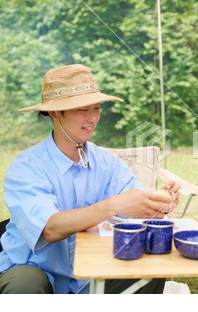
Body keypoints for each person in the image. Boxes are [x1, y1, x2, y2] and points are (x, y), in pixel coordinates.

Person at [0, 64, 180, 294]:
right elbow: (49, 229)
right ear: (54, 113)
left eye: (96, 108)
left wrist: (160, 202)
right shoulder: (26, 167)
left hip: (92, 275)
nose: (93, 117)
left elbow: (136, 206)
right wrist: (113, 205)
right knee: (25, 283)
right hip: (35, 270)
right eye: (83, 109)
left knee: (150, 270)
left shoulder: (107, 163)